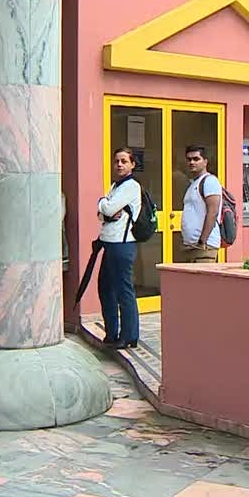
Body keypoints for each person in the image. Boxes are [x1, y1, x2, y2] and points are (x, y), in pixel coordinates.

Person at [97, 148, 141, 349]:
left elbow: (107, 208)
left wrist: (102, 202)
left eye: (124, 161)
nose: (119, 165)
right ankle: (111, 333)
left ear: (132, 164)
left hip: (122, 244)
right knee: (105, 288)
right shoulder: (115, 186)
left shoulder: (131, 186)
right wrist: (105, 208)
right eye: (117, 161)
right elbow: (102, 215)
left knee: (123, 290)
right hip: (109, 243)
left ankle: (129, 336)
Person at [180, 145, 221, 263]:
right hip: (190, 246)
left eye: (196, 159)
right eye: (189, 159)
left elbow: (213, 212)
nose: (192, 162)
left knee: (203, 276)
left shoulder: (210, 181)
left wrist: (202, 241)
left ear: (205, 162)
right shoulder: (193, 183)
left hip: (204, 247)